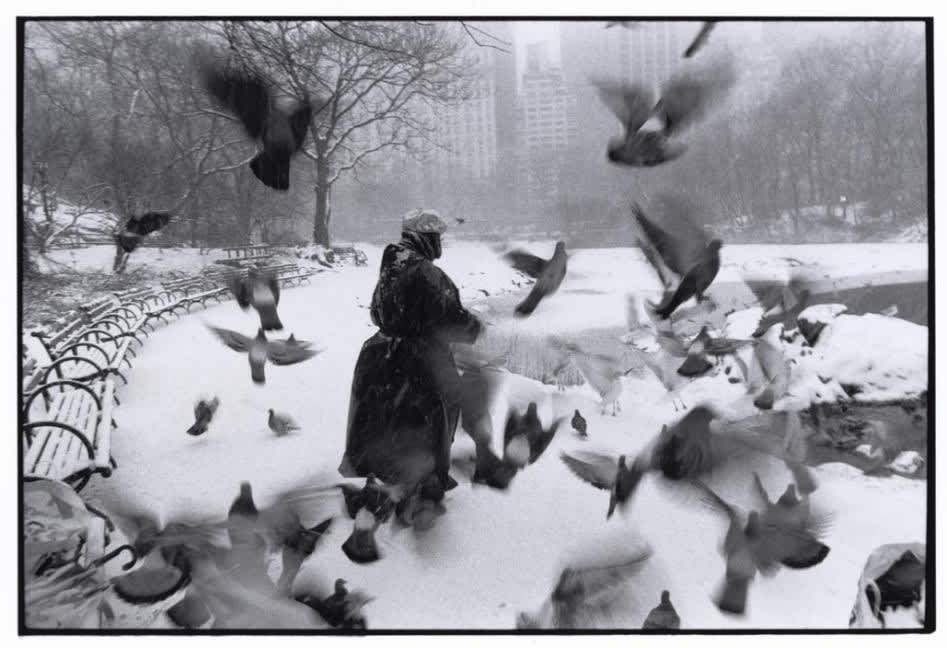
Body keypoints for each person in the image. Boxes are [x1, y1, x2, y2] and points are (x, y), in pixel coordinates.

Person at [339, 209, 483, 494]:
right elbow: (450, 317)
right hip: (422, 359)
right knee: (430, 419)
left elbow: (377, 311)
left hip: (382, 355)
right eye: (437, 236)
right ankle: (423, 481)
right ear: (425, 237)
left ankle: (387, 470)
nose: (440, 243)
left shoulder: (391, 266)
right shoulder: (428, 274)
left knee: (388, 416)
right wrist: (473, 327)